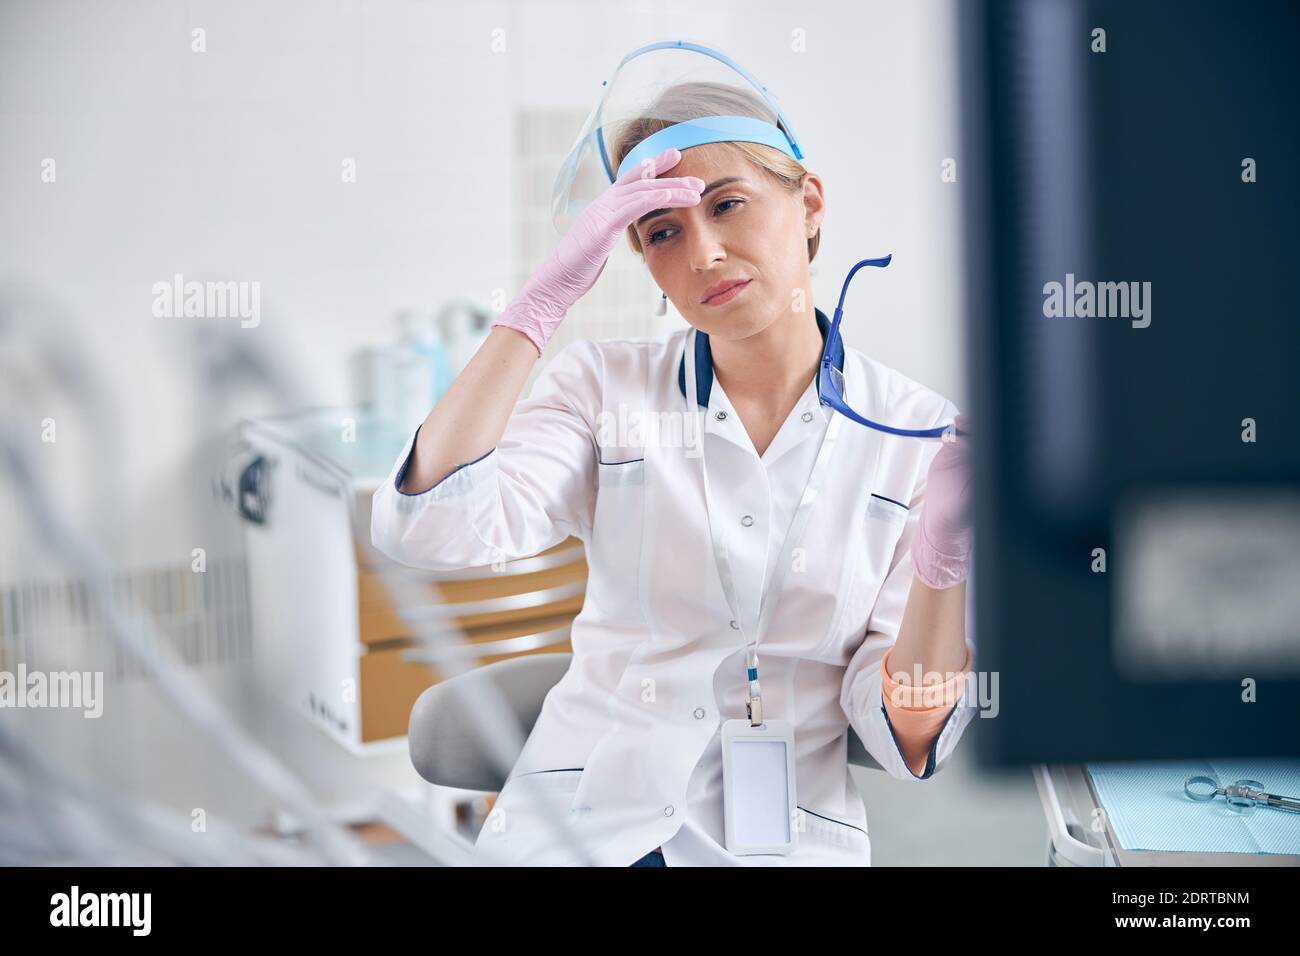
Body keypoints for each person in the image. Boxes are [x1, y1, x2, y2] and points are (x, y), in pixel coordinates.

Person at [371, 85, 976, 866]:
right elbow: (430, 528)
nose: (703, 255)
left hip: (785, 840)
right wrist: (539, 305)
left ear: (810, 203)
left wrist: (942, 566)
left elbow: (906, 735)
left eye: (727, 205)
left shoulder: (918, 439)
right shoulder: (602, 389)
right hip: (583, 827)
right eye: (661, 232)